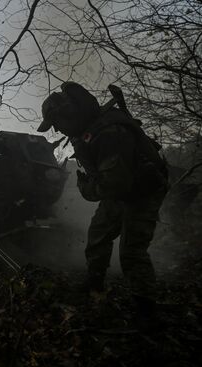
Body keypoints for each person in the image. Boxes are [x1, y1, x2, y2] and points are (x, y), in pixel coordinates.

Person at [37, 82, 168, 318]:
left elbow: (114, 183)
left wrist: (87, 189)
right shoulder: (90, 130)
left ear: (69, 114)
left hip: (144, 191)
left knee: (131, 251)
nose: (58, 130)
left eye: (58, 124)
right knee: (98, 232)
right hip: (123, 189)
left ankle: (146, 306)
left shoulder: (109, 133)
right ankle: (94, 282)